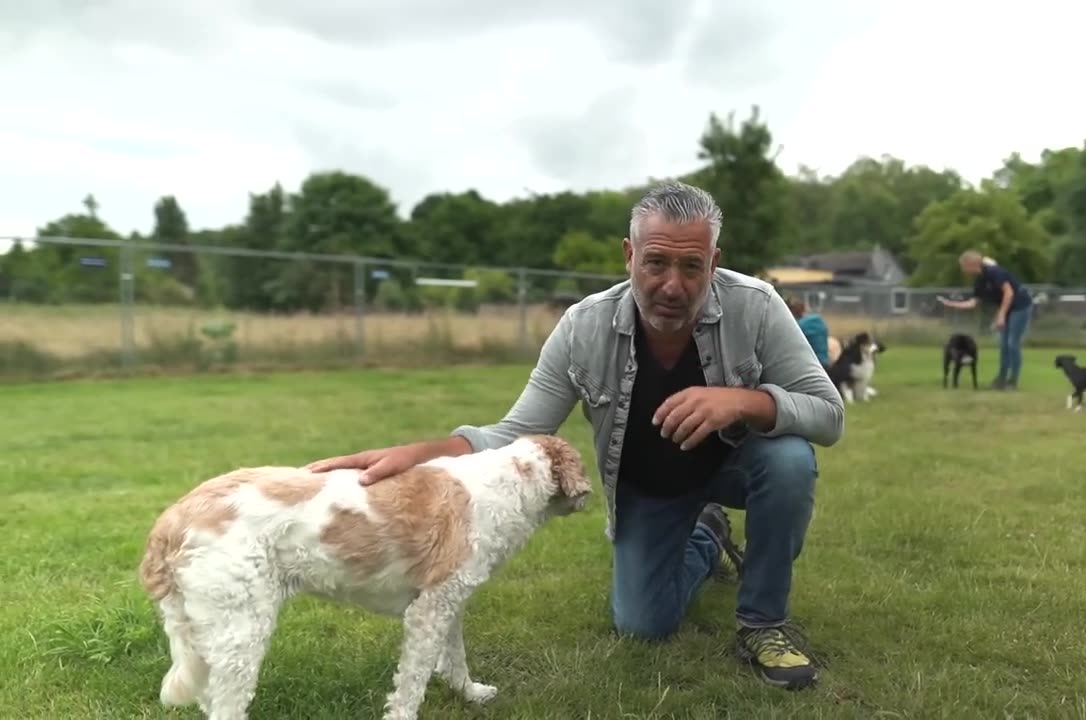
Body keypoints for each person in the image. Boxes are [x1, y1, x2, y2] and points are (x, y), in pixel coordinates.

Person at [306, 181, 844, 690]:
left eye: (691, 267)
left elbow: (828, 414)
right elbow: (518, 431)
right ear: (629, 256)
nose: (673, 285)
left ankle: (763, 623)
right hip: (650, 487)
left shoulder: (757, 306)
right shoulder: (584, 328)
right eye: (656, 263)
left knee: (790, 461)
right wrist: (421, 455)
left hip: (733, 466)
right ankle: (706, 538)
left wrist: (746, 401)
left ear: (714, 264)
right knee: (642, 624)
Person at [937, 250, 1033, 390]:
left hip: (1020, 306)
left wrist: (1000, 315)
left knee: (1012, 343)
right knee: (1004, 344)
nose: (963, 270)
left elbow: (1009, 293)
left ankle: (1012, 381)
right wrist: (952, 304)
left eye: (963, 266)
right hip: (1007, 308)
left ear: (971, 264)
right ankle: (1001, 379)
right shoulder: (980, 280)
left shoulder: (995, 272)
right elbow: (973, 302)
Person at [787, 294, 831, 366]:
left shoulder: (798, 326)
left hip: (809, 365)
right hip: (824, 364)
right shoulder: (819, 320)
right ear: (804, 308)